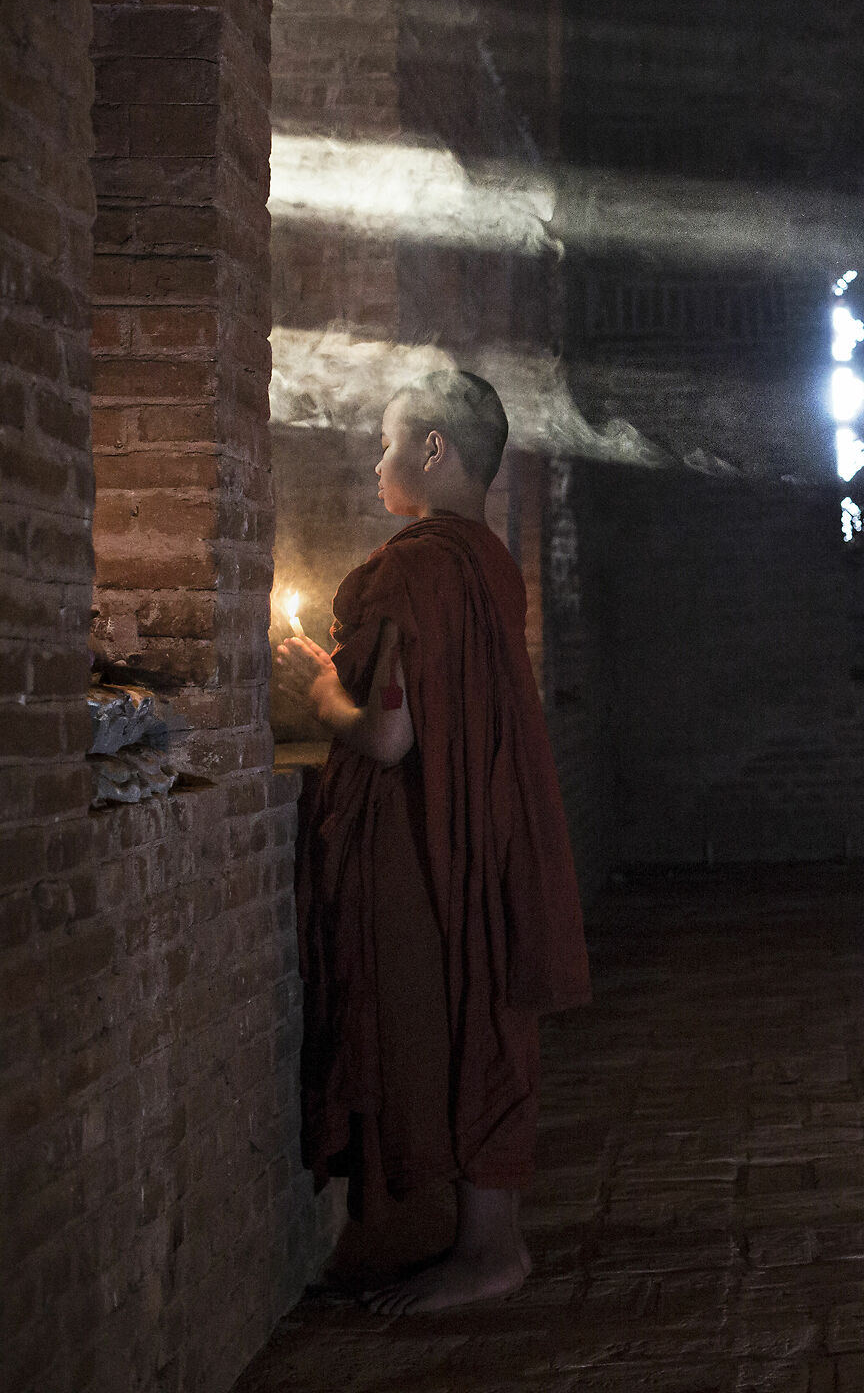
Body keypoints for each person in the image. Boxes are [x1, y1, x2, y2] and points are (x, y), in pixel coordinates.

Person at [277, 369, 590, 1312]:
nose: (376, 463)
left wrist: (317, 687)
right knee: (481, 1012)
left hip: (424, 841)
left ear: (434, 449)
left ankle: (488, 1252)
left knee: (436, 1021)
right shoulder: (492, 563)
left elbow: (388, 733)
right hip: (481, 826)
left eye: (385, 443)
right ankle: (491, 1243)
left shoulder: (412, 566)